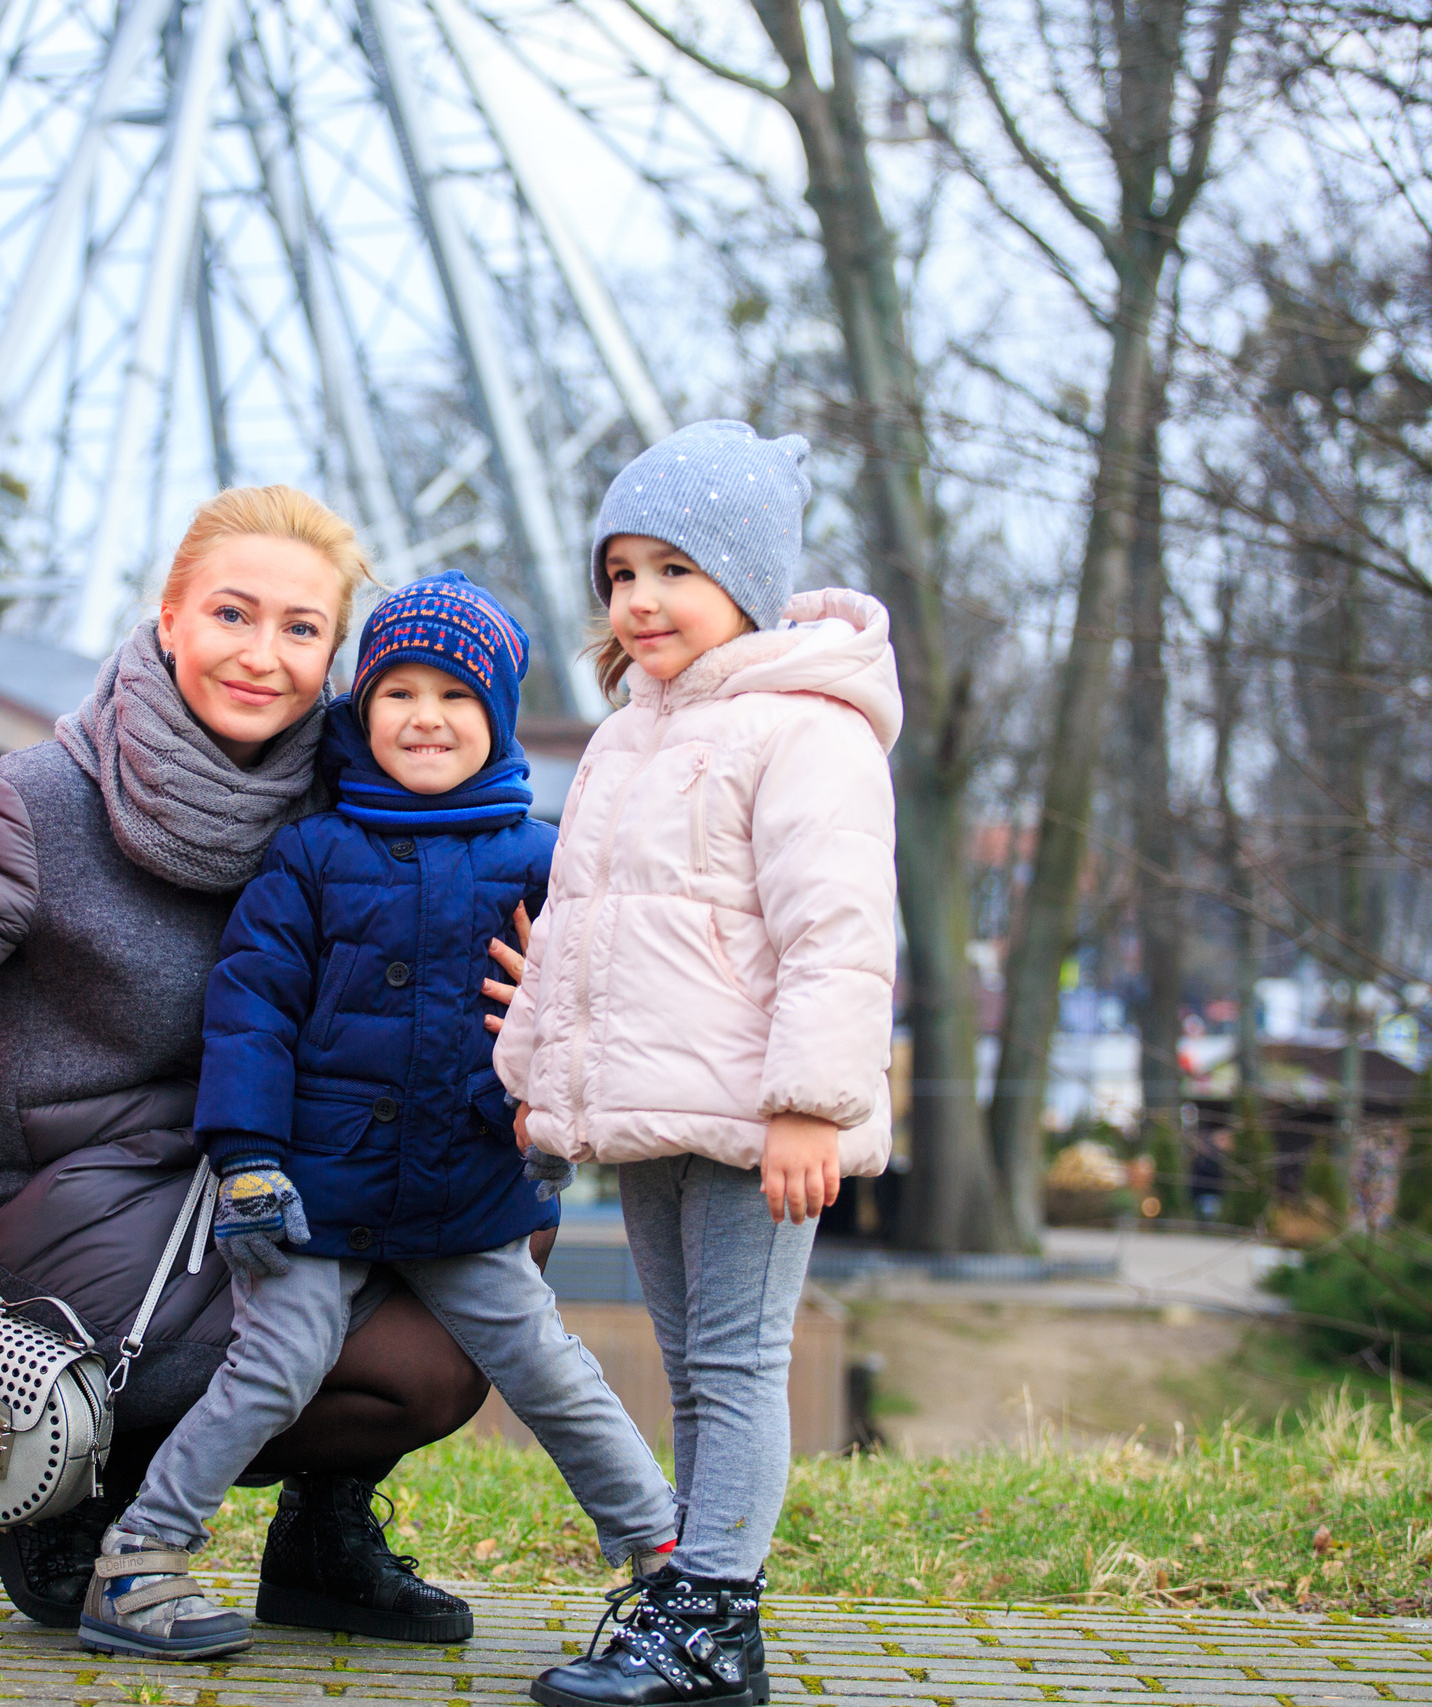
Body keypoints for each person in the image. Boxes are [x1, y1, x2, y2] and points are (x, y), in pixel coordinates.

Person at [0, 487, 523, 1637]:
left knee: (472, 1282)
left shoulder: (360, 810)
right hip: (86, 1225)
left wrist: (538, 1009)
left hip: (275, 1193)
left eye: (299, 629)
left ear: (335, 660)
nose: (260, 656)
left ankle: (320, 1538)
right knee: (302, 1305)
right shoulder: (34, 805)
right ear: (168, 619)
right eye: (232, 614)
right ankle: (68, 1488)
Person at [73, 573, 683, 1661]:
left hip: (466, 1189)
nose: (424, 716)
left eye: (455, 696)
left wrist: (558, 1117)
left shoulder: (543, 862)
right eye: (397, 691)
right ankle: (137, 1563)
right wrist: (249, 1159)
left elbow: (597, 1005)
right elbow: (251, 1012)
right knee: (276, 1363)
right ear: (362, 713)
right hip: (318, 1188)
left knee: (548, 1363)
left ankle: (665, 1557)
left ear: (493, 717)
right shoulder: (312, 858)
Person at [496, 422, 900, 1707]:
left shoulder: (805, 730)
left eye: (672, 568)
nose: (639, 600)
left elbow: (837, 935)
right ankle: (688, 1600)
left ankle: (716, 1623)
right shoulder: (628, 737)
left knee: (734, 1365)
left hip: (754, 1121)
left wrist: (807, 1106)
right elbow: (580, 932)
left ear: (745, 578)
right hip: (657, 1109)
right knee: (686, 1364)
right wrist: (538, 1079)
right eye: (620, 573)